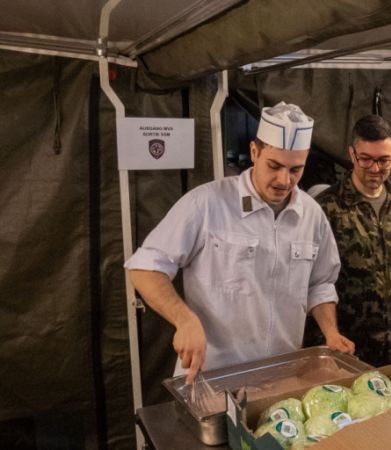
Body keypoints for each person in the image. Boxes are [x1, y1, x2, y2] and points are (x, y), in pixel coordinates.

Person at [126, 102, 354, 384]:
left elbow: (320, 283)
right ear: (255, 152)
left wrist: (331, 333)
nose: (285, 180)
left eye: (296, 169)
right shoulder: (207, 203)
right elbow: (145, 268)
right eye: (274, 166)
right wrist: (183, 320)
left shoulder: (312, 215)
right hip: (212, 376)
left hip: (281, 376)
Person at [304, 115, 391, 367]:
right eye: (366, 159)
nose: (375, 169)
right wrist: (325, 340)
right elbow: (310, 282)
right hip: (345, 345)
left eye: (384, 160)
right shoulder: (326, 209)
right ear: (352, 154)